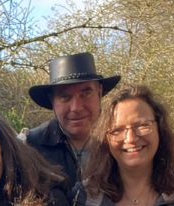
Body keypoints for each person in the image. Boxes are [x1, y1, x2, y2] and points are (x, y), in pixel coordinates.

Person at [22, 52, 121, 187]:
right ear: (52, 101)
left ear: (99, 92)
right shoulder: (29, 147)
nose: (76, 107)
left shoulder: (125, 141)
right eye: (65, 97)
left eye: (86, 94)